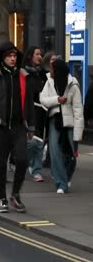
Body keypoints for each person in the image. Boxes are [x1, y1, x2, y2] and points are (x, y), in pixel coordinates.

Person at [0, 41, 35, 213]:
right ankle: (2, 198)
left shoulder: (23, 76)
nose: (12, 59)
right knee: (1, 164)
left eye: (14, 56)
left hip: (18, 126)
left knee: (22, 160)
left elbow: (29, 103)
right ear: (2, 58)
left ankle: (15, 194)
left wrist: (31, 126)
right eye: (9, 56)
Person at [40, 60, 84, 193]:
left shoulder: (73, 85)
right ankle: (61, 183)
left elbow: (78, 109)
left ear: (58, 71)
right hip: (55, 121)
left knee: (70, 155)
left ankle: (66, 176)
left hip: (70, 124)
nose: (50, 72)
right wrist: (56, 100)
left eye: (52, 70)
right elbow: (42, 99)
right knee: (55, 153)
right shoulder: (49, 82)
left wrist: (78, 134)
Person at [23, 46, 46, 182]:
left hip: (41, 110)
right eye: (37, 54)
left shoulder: (42, 73)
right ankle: (28, 162)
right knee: (30, 142)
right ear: (30, 56)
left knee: (39, 142)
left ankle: (36, 170)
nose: (39, 56)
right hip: (26, 110)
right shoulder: (24, 73)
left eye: (40, 54)